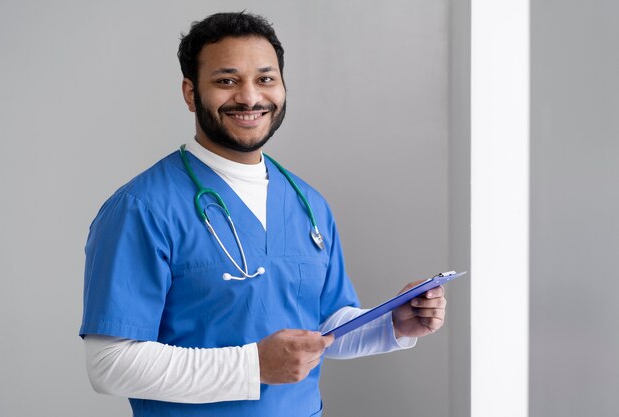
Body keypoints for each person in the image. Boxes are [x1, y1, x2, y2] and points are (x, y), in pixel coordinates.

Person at [80, 11, 447, 417]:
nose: (250, 97)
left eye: (265, 79)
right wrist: (253, 366)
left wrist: (392, 325)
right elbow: (108, 365)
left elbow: (321, 329)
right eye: (226, 80)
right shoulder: (142, 208)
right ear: (190, 93)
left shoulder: (307, 203)